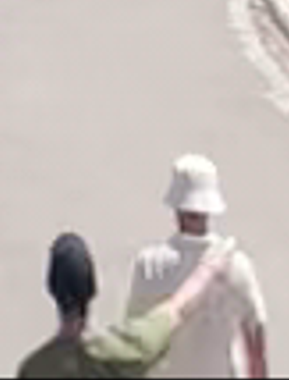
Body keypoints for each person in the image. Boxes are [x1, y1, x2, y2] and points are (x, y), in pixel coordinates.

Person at [14, 215, 245, 374]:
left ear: (52, 290)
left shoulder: (34, 369)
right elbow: (177, 308)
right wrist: (209, 267)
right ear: (93, 288)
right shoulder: (127, 350)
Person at [122, 153, 268, 379]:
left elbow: (135, 340)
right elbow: (256, 340)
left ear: (176, 208)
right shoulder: (236, 265)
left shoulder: (149, 265)